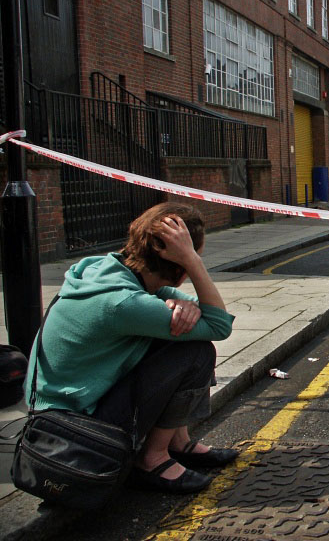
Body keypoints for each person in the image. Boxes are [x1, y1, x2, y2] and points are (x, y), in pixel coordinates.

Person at [24, 202, 237, 494]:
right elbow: (219, 324)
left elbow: (204, 311)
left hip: (58, 405)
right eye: (192, 257)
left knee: (179, 334)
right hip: (75, 424)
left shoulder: (107, 270)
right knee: (195, 353)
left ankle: (178, 442)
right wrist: (194, 262)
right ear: (180, 265)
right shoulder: (123, 303)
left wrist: (184, 304)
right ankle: (153, 459)